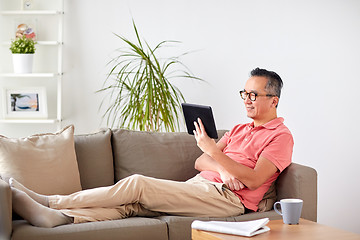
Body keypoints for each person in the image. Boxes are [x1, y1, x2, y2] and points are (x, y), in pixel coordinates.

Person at [9, 67, 294, 228]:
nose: (247, 99)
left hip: (229, 200)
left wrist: (214, 152)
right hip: (203, 185)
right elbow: (200, 163)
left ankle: (52, 201)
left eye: (254, 94)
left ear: (273, 100)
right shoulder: (239, 129)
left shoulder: (281, 137)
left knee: (138, 185)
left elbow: (255, 178)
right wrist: (221, 165)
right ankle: (61, 217)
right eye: (245, 93)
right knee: (132, 205)